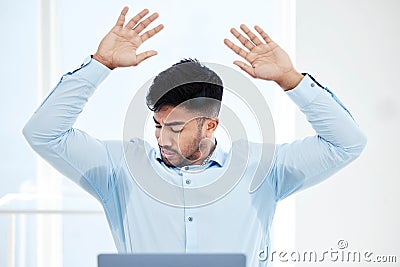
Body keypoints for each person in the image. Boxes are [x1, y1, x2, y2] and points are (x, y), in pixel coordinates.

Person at [22, 6, 367, 267]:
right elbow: (43, 134)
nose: (162, 139)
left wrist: (291, 79)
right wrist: (100, 64)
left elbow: (347, 143)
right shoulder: (120, 168)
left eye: (175, 128)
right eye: (158, 125)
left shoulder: (262, 169)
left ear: (210, 125)